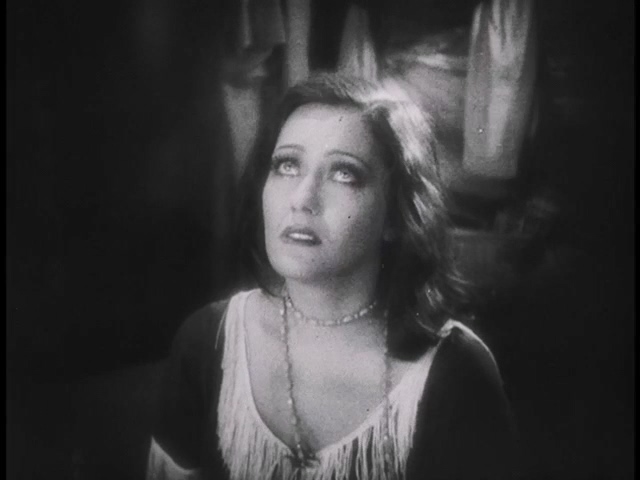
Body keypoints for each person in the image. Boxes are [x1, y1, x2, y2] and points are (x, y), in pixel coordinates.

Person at [146, 73, 518, 480]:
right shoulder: (207, 341)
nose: (302, 198)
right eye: (287, 165)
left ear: (396, 216)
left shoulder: (457, 371)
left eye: (344, 173)